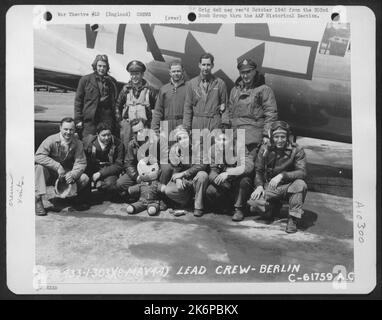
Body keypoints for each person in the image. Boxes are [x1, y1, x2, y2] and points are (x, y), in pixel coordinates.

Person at [248, 121, 307, 233]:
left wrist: (282, 175)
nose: (280, 140)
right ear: (271, 136)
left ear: (287, 136)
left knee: (300, 185)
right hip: (271, 186)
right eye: (276, 137)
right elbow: (258, 170)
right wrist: (259, 186)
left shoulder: (297, 150)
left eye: (283, 137)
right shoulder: (265, 148)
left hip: (289, 185)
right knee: (254, 204)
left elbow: (302, 172)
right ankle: (273, 207)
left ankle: (292, 219)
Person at [35, 117, 89, 215]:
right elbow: (38, 156)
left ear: (74, 130)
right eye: (66, 129)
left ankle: (68, 196)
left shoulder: (78, 143)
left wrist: (73, 174)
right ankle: (38, 199)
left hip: (66, 175)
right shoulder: (51, 140)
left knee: (84, 178)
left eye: (71, 129)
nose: (68, 132)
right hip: (51, 174)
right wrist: (57, 166)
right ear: (60, 128)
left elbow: (81, 163)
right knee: (39, 168)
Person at [228, 58, 278, 158]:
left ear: (254, 71)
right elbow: (230, 113)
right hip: (235, 136)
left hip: (253, 138)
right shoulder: (235, 90)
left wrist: (266, 135)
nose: (245, 76)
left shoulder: (264, 90)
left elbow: (271, 114)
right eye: (242, 72)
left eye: (248, 72)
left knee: (247, 167)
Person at [205, 124, 254, 221]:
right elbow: (213, 170)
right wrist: (218, 180)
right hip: (226, 183)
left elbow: (249, 166)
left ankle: (239, 209)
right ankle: (226, 207)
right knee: (210, 191)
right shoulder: (213, 150)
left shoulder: (239, 147)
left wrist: (229, 173)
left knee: (245, 181)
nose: (221, 143)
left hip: (238, 180)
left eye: (224, 140)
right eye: (218, 140)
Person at [162, 125, 209, 217]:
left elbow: (202, 165)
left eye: (185, 137)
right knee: (168, 190)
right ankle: (187, 201)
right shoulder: (176, 149)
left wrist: (184, 173)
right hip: (185, 180)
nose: (183, 140)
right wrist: (177, 179)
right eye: (180, 139)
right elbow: (176, 168)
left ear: (189, 136)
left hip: (197, 179)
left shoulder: (199, 146)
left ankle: (198, 206)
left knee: (202, 175)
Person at [115, 60, 158, 151]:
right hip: (128, 126)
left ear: (142, 74)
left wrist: (152, 124)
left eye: (137, 74)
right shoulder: (125, 90)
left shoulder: (150, 91)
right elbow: (117, 106)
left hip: (145, 125)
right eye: (132, 74)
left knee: (144, 150)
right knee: (126, 149)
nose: (134, 77)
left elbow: (158, 109)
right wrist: (120, 121)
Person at [74, 54, 118, 138]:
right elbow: (78, 101)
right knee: (88, 142)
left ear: (107, 67)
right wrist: (78, 119)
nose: (101, 69)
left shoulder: (112, 82)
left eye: (104, 66)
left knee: (106, 141)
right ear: (95, 66)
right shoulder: (85, 80)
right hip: (90, 119)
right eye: (99, 66)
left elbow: (115, 102)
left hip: (106, 118)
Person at [183, 53, 229, 132]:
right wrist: (186, 127)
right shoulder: (192, 83)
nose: (206, 68)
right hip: (197, 124)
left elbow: (225, 105)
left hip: (214, 123)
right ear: (199, 65)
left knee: (213, 144)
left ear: (212, 65)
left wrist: (225, 124)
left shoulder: (220, 83)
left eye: (208, 65)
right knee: (197, 144)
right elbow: (188, 107)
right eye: (203, 64)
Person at [82, 122, 124, 200]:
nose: (107, 138)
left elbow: (119, 165)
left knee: (110, 184)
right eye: (103, 135)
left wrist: (100, 174)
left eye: (109, 134)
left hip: (108, 171)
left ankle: (100, 185)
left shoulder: (118, 144)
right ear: (97, 134)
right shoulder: (89, 142)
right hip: (92, 168)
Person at [116, 118, 155, 197]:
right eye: (135, 132)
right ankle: (139, 191)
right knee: (120, 183)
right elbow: (129, 164)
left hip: (154, 172)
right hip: (139, 173)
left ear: (147, 128)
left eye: (140, 131)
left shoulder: (155, 141)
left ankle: (140, 192)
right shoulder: (132, 144)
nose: (138, 134)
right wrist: (136, 176)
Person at [151, 61, 187, 135]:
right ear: (170, 73)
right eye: (173, 71)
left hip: (182, 125)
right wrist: (155, 130)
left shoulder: (189, 88)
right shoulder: (164, 89)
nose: (176, 73)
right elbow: (158, 111)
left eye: (178, 71)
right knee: (166, 146)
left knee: (183, 146)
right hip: (166, 126)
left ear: (182, 72)